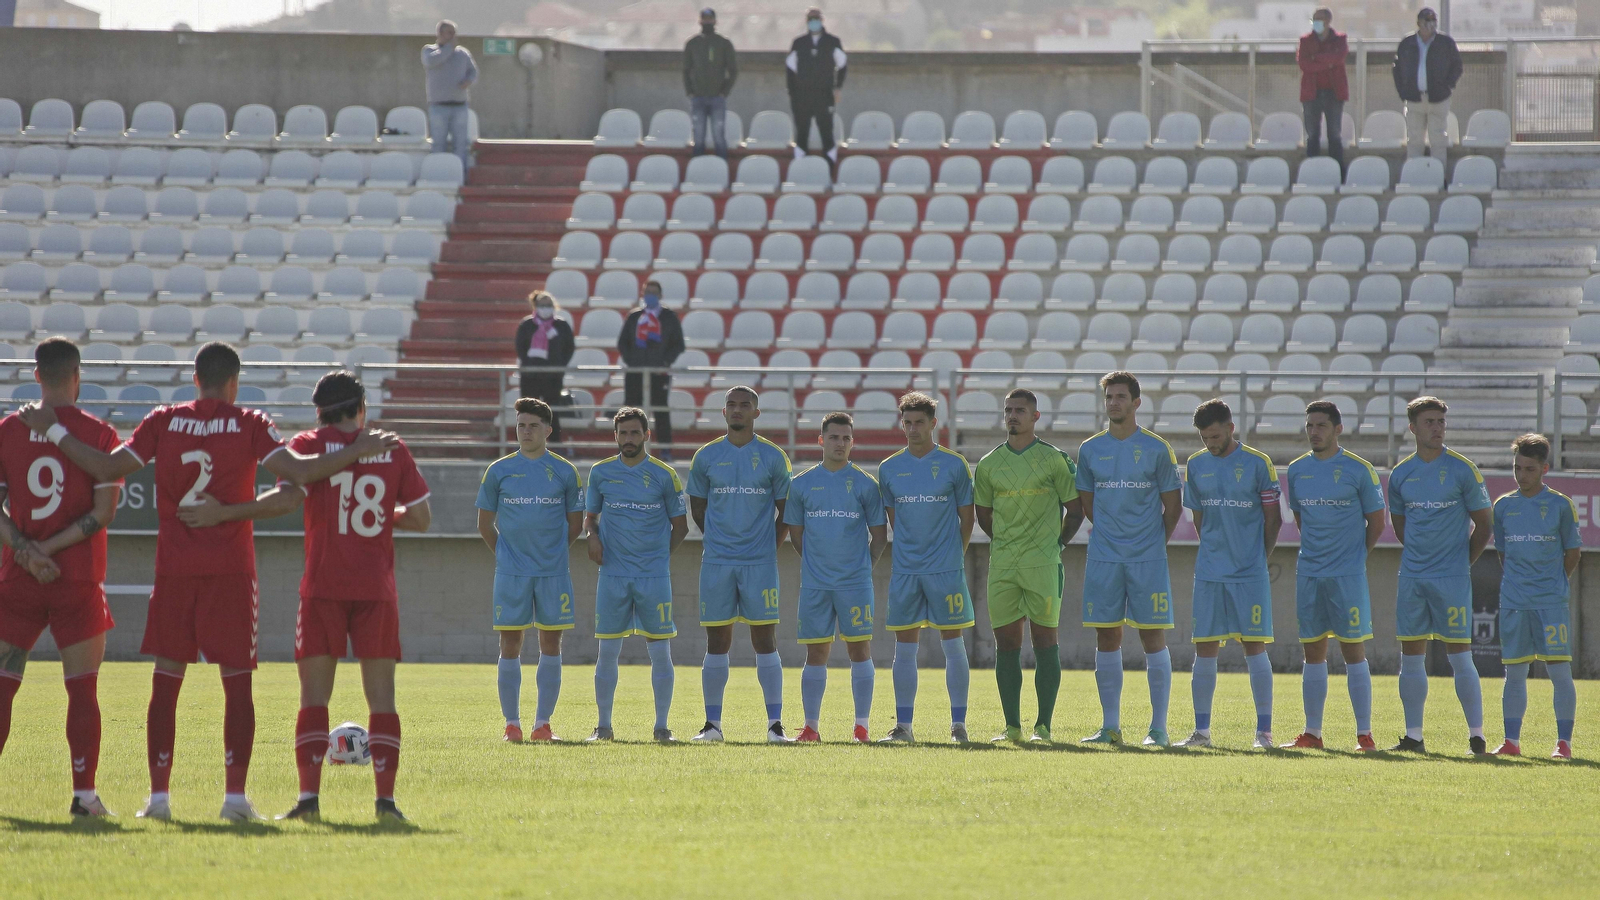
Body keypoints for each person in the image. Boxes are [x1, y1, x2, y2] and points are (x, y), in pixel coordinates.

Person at [18, 341, 397, 821]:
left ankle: (158, 800)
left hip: (174, 569)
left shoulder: (162, 420)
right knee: (237, 685)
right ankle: (234, 801)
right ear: (234, 382)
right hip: (231, 572)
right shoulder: (249, 423)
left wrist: (51, 428)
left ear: (195, 379)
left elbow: (109, 468)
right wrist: (358, 448)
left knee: (166, 681)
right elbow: (298, 477)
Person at [268, 372, 432, 824]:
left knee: (313, 700)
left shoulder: (306, 444)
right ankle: (385, 804)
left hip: (322, 587)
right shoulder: (391, 449)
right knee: (382, 700)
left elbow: (289, 490)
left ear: (318, 411)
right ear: (361, 407)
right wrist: (384, 514)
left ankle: (308, 801)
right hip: (376, 588)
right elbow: (421, 518)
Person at [0, 339, 121, 818]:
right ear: (78, 374)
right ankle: (84, 797)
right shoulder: (99, 433)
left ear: (36, 375)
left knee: (3, 685)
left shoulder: (8, 429)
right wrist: (48, 552)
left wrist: (28, 552)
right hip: (77, 578)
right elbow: (104, 511)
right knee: (83, 688)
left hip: (18, 578)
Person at [1075, 372, 1182, 747]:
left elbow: (1173, 506)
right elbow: (1089, 505)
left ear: (1137, 402)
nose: (1114, 403)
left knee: (1153, 637)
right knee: (1107, 637)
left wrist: (1152, 541)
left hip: (1146, 558)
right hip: (1104, 556)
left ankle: (1159, 729)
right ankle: (1110, 727)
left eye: (1121, 397)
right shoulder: (1090, 449)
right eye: (1108, 397)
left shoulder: (1157, 448)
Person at [685, 387, 794, 743]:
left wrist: (768, 546)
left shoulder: (774, 457)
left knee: (765, 638)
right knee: (717, 639)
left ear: (756, 413)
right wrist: (717, 539)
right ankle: (712, 725)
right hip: (717, 561)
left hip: (759, 563)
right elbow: (698, 507)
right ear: (723, 411)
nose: (737, 410)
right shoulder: (706, 456)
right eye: (731, 404)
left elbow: (786, 511)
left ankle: (775, 725)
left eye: (744, 405)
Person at [973, 389, 1081, 745]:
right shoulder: (989, 464)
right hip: (1003, 564)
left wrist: (1056, 544)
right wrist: (1007, 542)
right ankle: (1012, 726)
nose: (1013, 416)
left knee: (1046, 640)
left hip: (1043, 564)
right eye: (1008, 410)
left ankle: (1043, 726)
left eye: (1020, 410)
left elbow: (1075, 509)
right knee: (1006, 644)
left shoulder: (1054, 460)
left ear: (1036, 416)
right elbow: (984, 516)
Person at [1386, 396, 1491, 755]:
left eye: (1441, 422)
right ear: (1413, 428)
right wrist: (1422, 556)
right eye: (1429, 422)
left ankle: (1477, 737)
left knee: (1460, 655)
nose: (1437, 427)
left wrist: (1461, 562)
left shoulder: (1462, 469)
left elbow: (1484, 523)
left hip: (1451, 578)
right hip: (1413, 576)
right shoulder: (1400, 474)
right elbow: (1401, 527)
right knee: (1411, 655)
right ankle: (1414, 737)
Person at [1176, 400, 1281, 751]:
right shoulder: (1196, 464)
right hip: (1209, 573)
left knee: (1255, 647)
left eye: (1216, 436)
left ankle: (1263, 733)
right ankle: (1202, 732)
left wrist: (1256, 558)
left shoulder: (1257, 463)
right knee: (1204, 648)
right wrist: (1216, 552)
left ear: (1231, 428)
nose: (1210, 443)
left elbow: (1273, 519)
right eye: (1205, 438)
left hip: (1249, 573)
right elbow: (1200, 518)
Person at [1281, 400, 1386, 752]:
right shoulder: (1296, 470)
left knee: (1354, 651)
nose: (1314, 432)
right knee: (1313, 653)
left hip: (1347, 575)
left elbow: (1377, 523)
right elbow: (1301, 519)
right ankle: (1312, 733)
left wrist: (1355, 557)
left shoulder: (1359, 469)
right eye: (1310, 425)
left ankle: (1364, 735)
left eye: (1321, 425)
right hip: (1309, 571)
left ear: (1338, 429)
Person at [477, 398, 583, 744]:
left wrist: (550, 555)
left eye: (533, 425)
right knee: (510, 642)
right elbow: (484, 524)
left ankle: (543, 724)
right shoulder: (499, 470)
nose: (526, 431)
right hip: (512, 574)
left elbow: (575, 525)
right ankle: (512, 724)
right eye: (521, 425)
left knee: (551, 642)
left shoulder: (565, 471)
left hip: (553, 573)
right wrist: (508, 556)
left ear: (548, 430)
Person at [584, 407, 688, 743]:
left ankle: (662, 727)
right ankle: (603, 727)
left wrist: (655, 557)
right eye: (622, 433)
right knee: (607, 651)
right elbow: (591, 517)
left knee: (660, 650)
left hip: (653, 578)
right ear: (615, 436)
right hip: (612, 575)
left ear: (647, 435)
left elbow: (681, 526)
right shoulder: (600, 473)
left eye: (634, 433)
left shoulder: (664, 475)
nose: (628, 439)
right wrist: (592, 537)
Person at [878, 392, 976, 744]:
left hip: (945, 570)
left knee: (954, 643)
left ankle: (959, 725)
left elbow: (967, 518)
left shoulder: (954, 464)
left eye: (920, 422)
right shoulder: (888, 469)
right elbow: (895, 521)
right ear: (901, 423)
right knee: (904, 646)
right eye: (908, 422)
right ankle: (903, 727)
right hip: (906, 571)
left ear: (934, 423)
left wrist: (953, 555)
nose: (913, 428)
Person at [784, 412, 886, 743]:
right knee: (816, 653)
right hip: (815, 584)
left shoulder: (866, 485)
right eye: (833, 437)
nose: (839, 443)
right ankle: (811, 727)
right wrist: (817, 564)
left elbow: (880, 535)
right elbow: (796, 535)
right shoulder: (800, 484)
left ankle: (862, 726)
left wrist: (863, 566)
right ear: (821, 440)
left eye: (845, 438)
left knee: (860, 650)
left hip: (855, 584)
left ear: (852, 442)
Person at [1490, 434, 1581, 760]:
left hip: (1550, 603)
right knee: (1514, 673)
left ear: (1544, 468)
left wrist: (1553, 584)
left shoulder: (1560, 505)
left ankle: (1563, 744)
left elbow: (1573, 553)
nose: (1521, 475)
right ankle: (1511, 741)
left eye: (1528, 469)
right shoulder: (1503, 507)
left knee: (1559, 672)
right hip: (1514, 603)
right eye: (1517, 468)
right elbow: (1504, 553)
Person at [618, 281, 685, 460]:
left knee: (660, 410)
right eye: (647, 292)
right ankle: (628, 447)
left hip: (659, 374)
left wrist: (664, 362)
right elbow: (622, 343)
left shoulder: (669, 317)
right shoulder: (634, 317)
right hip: (635, 373)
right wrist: (632, 362)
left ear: (661, 295)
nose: (650, 296)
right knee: (631, 412)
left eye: (654, 293)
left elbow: (678, 344)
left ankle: (664, 449)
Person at [1392, 7, 1460, 160]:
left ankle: (1438, 175)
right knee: (1415, 139)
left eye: (1432, 21)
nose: (1430, 24)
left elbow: (1457, 66)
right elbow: (1397, 68)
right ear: (1418, 23)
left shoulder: (1445, 42)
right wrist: (1403, 92)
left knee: (1438, 139)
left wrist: (1448, 86)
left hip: (1438, 98)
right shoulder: (1407, 43)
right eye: (1426, 21)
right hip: (1414, 98)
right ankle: (1414, 175)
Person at [785, 7, 847, 165]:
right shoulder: (799, 43)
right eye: (810, 19)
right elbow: (790, 71)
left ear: (822, 20)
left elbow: (842, 66)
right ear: (806, 22)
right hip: (802, 96)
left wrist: (837, 87)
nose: (814, 22)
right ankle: (800, 167)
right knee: (802, 133)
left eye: (816, 19)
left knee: (826, 132)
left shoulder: (832, 42)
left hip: (824, 95)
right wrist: (793, 94)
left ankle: (829, 169)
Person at [515, 291, 575, 445]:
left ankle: (554, 446)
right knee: (528, 412)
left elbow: (569, 347)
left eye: (548, 305)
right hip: (530, 376)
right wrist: (529, 364)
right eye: (542, 305)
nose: (545, 308)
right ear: (535, 306)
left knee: (552, 413)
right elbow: (520, 347)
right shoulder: (527, 325)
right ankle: (527, 445)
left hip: (553, 377)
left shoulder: (561, 325)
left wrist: (560, 365)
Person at [422, 19, 479, 170]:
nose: (454, 36)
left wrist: (468, 80)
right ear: (440, 33)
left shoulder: (463, 53)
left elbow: (473, 71)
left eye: (454, 33)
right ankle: (437, 174)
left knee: (460, 145)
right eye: (450, 33)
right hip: (438, 107)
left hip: (459, 106)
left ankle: (460, 175)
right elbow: (432, 61)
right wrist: (449, 48)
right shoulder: (429, 51)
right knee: (438, 144)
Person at [1298, 8, 1348, 172]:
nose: (1317, 23)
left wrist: (1316, 58)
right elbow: (1304, 64)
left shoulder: (1339, 39)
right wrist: (1328, 62)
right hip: (1311, 94)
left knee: (1334, 134)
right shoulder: (1306, 41)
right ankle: (1312, 171)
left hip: (1334, 93)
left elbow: (1338, 58)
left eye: (1320, 19)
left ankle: (1338, 172)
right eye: (1314, 19)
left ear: (1328, 21)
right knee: (1312, 136)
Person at [684, 7, 737, 159]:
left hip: (717, 98)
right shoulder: (692, 44)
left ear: (715, 21)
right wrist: (690, 91)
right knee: (698, 138)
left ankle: (723, 170)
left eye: (710, 19)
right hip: (698, 98)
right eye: (704, 19)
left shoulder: (723, 43)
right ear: (700, 21)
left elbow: (733, 70)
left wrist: (724, 91)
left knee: (718, 137)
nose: (707, 22)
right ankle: (698, 171)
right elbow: (686, 70)